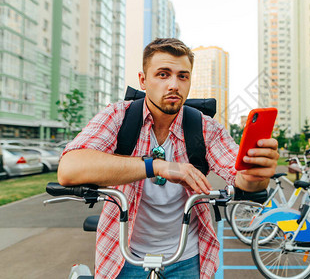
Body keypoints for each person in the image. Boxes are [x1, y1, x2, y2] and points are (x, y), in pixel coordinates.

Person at [58, 38, 279, 279]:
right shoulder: (118, 116)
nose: (174, 85)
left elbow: (243, 180)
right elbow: (69, 169)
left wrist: (256, 174)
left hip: (187, 257)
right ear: (143, 80)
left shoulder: (204, 127)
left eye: (183, 76)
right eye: (163, 75)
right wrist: (157, 166)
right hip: (122, 255)